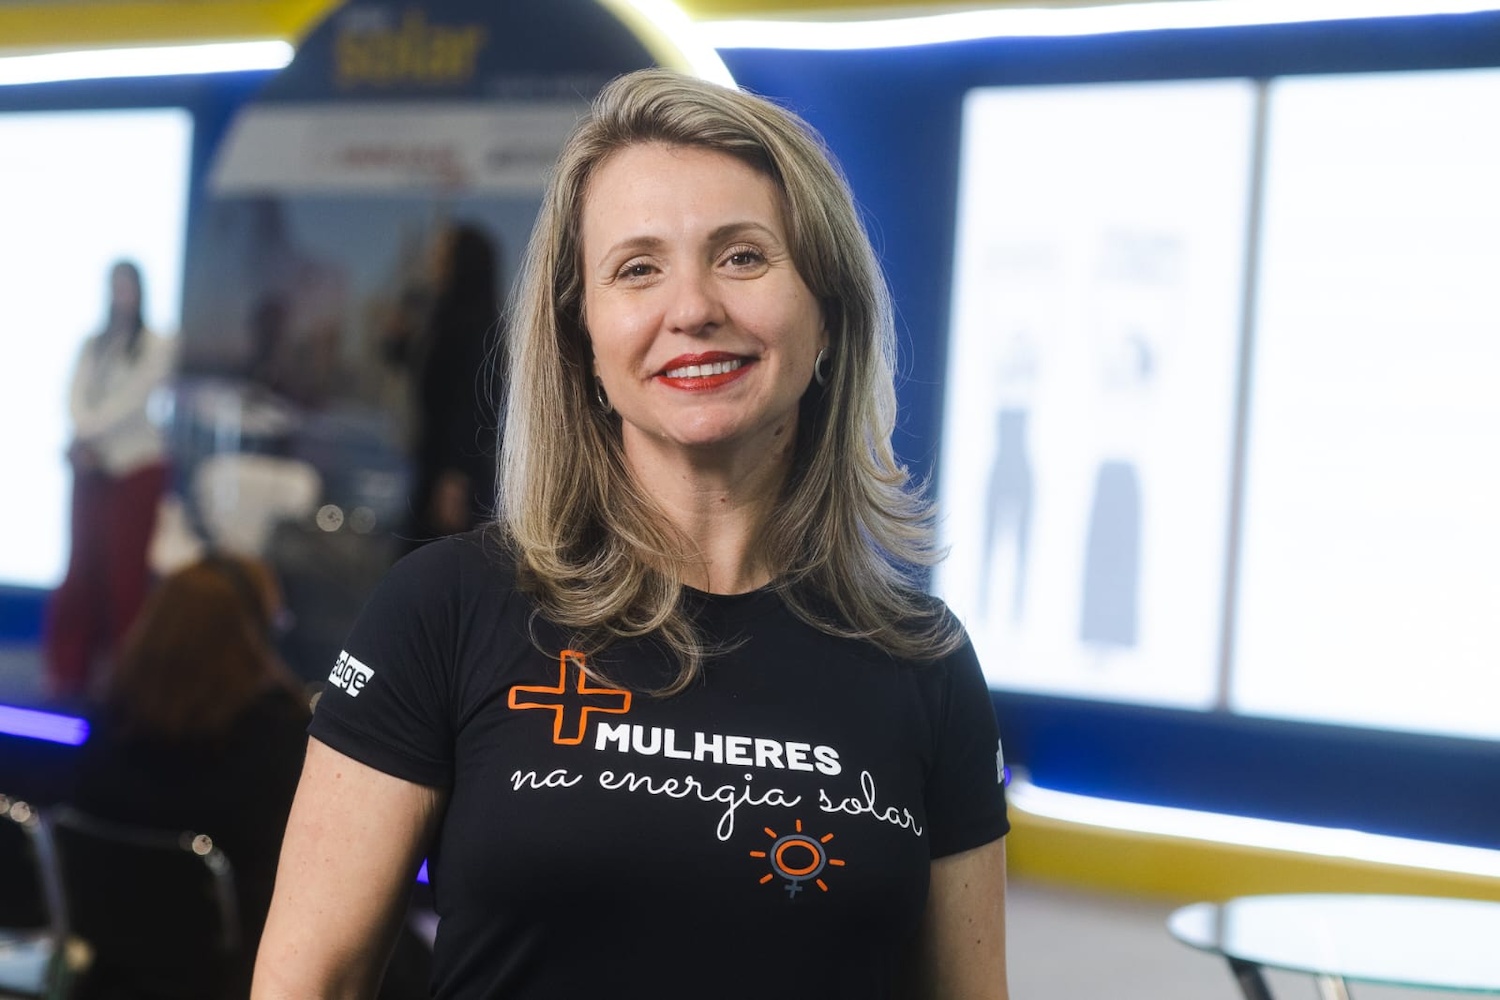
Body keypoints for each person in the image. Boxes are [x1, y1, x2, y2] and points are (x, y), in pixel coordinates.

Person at [255, 68, 1009, 999]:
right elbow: (309, 983)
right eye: (638, 268)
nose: (692, 309)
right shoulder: (442, 610)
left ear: (828, 315)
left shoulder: (926, 665)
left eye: (743, 256)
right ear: (582, 339)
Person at [70, 554, 310, 997]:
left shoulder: (108, 720)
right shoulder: (281, 734)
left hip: (112, 979)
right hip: (236, 981)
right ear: (255, 632)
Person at [45, 261, 177, 703]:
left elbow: (133, 400)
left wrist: (89, 434)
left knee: (125, 577)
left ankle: (125, 680)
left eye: (128, 287)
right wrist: (84, 436)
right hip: (91, 468)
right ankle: (70, 674)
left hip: (134, 467)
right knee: (82, 570)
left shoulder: (157, 344)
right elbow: (74, 394)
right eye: (115, 287)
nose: (122, 296)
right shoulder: (93, 344)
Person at [387, 221, 504, 550]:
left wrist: (456, 475)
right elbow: (422, 370)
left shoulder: (477, 325)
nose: (433, 263)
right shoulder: (440, 315)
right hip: (430, 460)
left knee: (441, 555)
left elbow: (475, 404)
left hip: (454, 473)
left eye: (442, 255)